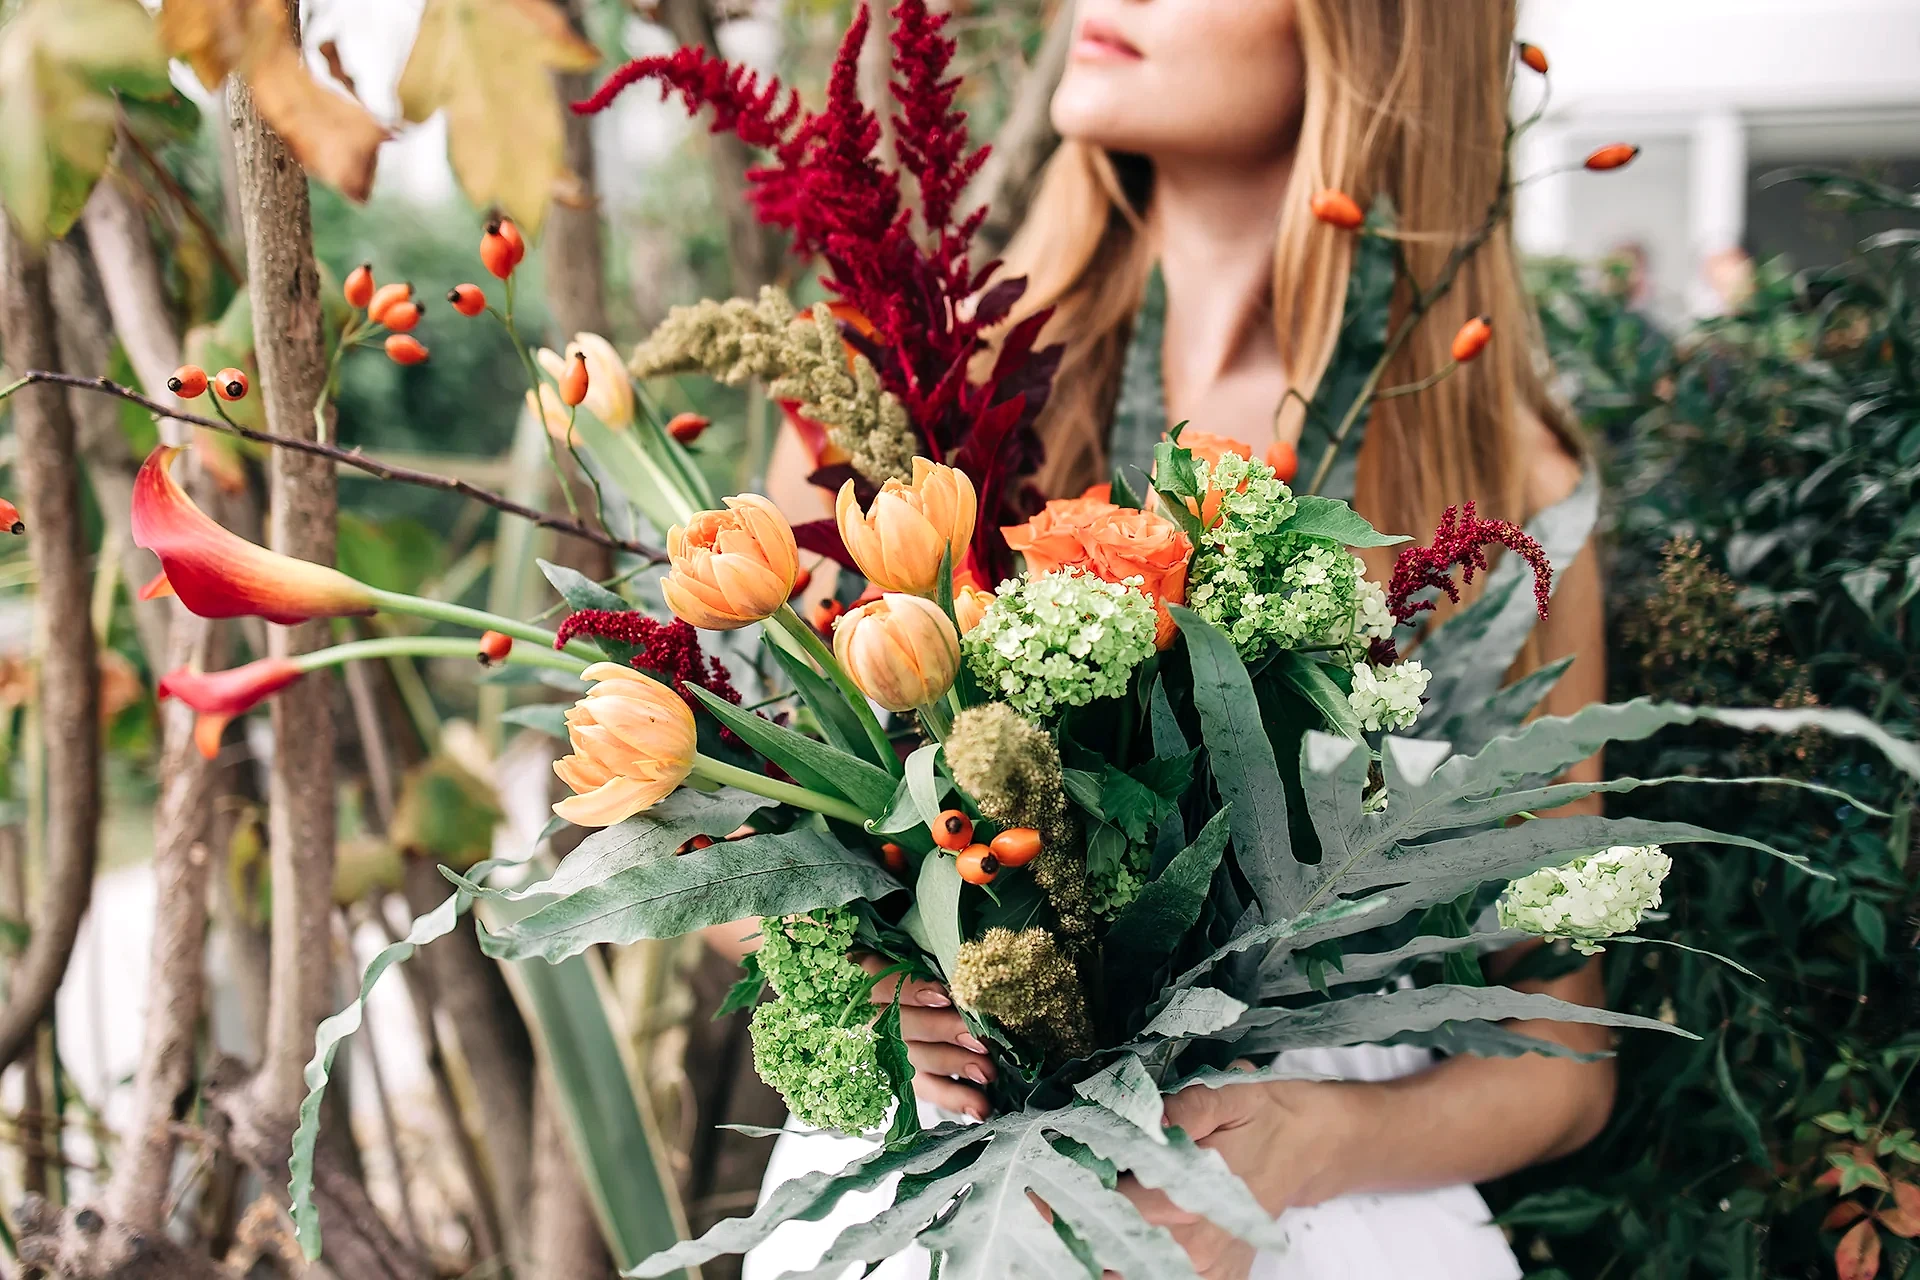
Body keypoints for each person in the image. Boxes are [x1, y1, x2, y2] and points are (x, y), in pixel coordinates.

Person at [734, 1, 1613, 1275]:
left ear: (1378, 32)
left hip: (1321, 1221)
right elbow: (729, 845)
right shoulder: (911, 386)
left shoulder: (1498, 477)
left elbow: (1568, 1055)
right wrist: (882, 989)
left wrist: (1311, 1141)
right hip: (941, 1197)